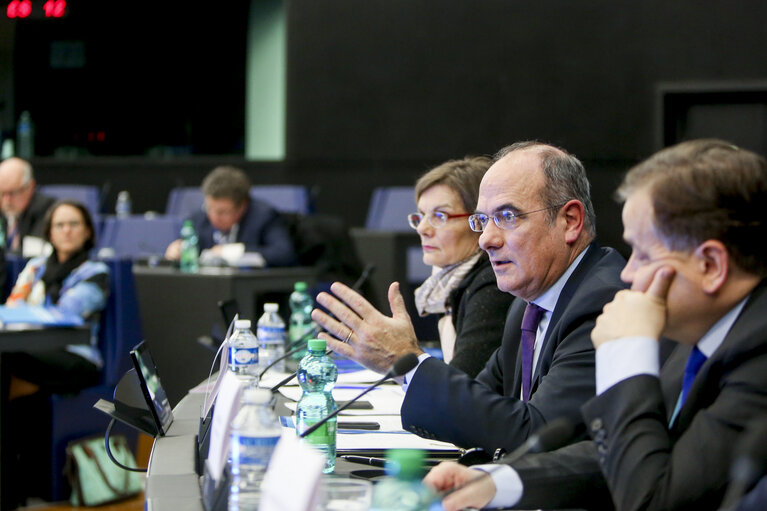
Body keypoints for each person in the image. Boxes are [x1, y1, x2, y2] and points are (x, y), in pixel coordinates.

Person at [425, 139, 767, 511]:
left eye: (645, 254)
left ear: (711, 266)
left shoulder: (758, 358)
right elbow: (627, 454)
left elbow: (652, 498)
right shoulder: (703, 337)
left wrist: (627, 355)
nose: (628, 272)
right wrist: (499, 483)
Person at [312, 141, 627, 453]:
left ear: (569, 221)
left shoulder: (602, 304)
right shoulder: (527, 305)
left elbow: (537, 435)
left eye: (507, 216)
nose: (487, 239)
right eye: (482, 220)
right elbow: (484, 403)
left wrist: (405, 362)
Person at [408, 156, 514, 377]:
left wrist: (400, 354)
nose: (423, 229)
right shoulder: (450, 283)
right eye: (421, 216)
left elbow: (463, 385)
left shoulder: (493, 283)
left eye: (440, 216)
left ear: (480, 221)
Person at [5, 199, 110, 394]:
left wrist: (25, 315)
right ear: (50, 233)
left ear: (87, 231)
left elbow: (63, 315)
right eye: (59, 225)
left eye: (74, 224)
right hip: (31, 348)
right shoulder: (35, 266)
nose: (66, 231)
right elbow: (13, 307)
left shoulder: (96, 273)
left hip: (76, 355)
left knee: (7, 356)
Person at [165, 165, 297, 267]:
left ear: (242, 206)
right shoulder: (198, 219)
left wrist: (233, 251)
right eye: (209, 208)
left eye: (222, 212)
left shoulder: (264, 217)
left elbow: (284, 254)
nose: (214, 216)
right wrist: (179, 250)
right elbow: (190, 250)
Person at [0, 157, 56, 254]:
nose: (6, 200)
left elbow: (34, 254)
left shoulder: (49, 211)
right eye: (1, 193)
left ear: (30, 187)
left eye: (12, 193)